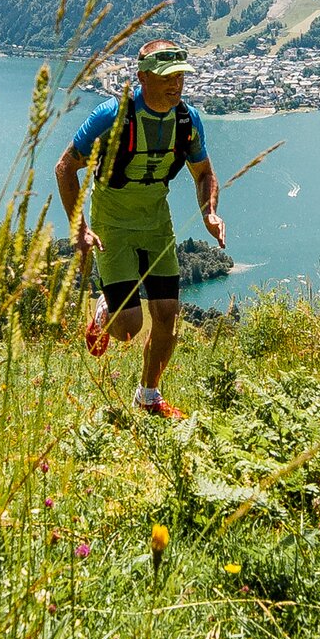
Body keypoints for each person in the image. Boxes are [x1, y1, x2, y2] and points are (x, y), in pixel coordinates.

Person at [55, 40, 226, 419]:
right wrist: (80, 228)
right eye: (167, 77)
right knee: (128, 329)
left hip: (155, 222)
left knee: (168, 313)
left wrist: (208, 213)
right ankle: (106, 312)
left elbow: (204, 173)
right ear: (142, 77)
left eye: (181, 76)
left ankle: (148, 395)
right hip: (112, 223)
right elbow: (65, 167)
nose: (176, 84)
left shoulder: (187, 120)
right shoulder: (112, 115)